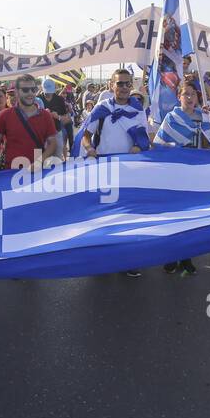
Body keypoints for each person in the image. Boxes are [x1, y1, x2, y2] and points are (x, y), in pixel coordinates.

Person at [80, 69, 150, 277]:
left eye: (127, 84)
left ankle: (127, 261)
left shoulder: (138, 110)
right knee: (103, 216)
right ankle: (102, 261)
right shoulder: (102, 108)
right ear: (112, 86)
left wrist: (139, 147)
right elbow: (86, 135)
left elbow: (143, 138)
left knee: (127, 216)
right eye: (120, 84)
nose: (124, 88)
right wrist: (89, 149)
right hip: (104, 169)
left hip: (129, 170)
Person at [0, 74, 58, 175]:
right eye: (25, 90)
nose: (30, 93)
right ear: (17, 92)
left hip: (36, 173)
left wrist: (38, 162)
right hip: (10, 172)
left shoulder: (46, 116)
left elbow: (53, 143)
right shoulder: (3, 115)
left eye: (33, 89)